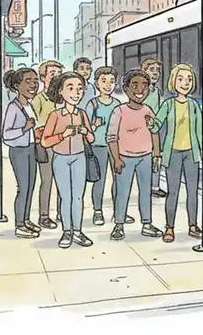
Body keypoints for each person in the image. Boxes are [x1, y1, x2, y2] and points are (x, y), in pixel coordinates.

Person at [147, 64, 203, 243]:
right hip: (172, 154)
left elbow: (199, 131)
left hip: (191, 154)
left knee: (193, 192)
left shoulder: (194, 105)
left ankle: (193, 225)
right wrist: (150, 124)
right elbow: (156, 125)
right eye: (180, 79)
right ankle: (169, 227)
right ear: (173, 81)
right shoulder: (168, 104)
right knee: (173, 192)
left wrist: (201, 153)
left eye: (189, 79)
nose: (185, 83)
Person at [41, 72, 95, 249]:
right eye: (70, 88)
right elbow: (45, 141)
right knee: (66, 197)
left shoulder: (82, 114)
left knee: (78, 197)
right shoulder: (55, 115)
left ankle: (77, 231)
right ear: (61, 92)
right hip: (61, 159)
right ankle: (66, 231)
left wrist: (85, 132)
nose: (76, 92)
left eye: (80, 88)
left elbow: (92, 138)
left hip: (79, 157)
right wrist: (62, 135)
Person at [108, 69, 163, 241]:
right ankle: (119, 224)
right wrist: (116, 158)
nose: (140, 90)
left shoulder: (148, 110)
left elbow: (155, 132)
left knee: (145, 192)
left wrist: (157, 155)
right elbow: (112, 137)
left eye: (144, 86)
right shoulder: (119, 111)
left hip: (145, 157)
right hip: (125, 158)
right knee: (122, 192)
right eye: (135, 85)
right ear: (125, 88)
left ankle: (147, 224)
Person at [88, 66, 131, 226]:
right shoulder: (93, 104)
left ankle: (118, 212)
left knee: (119, 180)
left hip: (116, 147)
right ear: (97, 84)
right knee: (99, 181)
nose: (108, 85)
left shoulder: (118, 103)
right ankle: (97, 211)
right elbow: (86, 129)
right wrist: (94, 125)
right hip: (98, 146)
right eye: (104, 81)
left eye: (112, 81)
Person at [1, 67, 42, 239]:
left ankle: (25, 219)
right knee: (23, 187)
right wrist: (24, 129)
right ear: (17, 86)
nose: (33, 85)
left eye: (35, 81)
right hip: (19, 151)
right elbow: (6, 134)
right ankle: (19, 225)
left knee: (30, 187)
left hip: (31, 148)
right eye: (28, 81)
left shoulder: (29, 105)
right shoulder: (13, 107)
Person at [32, 60, 63, 229]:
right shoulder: (39, 99)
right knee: (47, 181)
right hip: (46, 145)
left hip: (64, 145)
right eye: (52, 74)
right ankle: (44, 215)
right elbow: (33, 122)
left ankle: (61, 212)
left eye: (59, 74)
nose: (56, 77)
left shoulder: (63, 98)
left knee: (62, 181)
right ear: (43, 77)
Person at [141, 58, 168, 199]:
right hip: (143, 130)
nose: (156, 73)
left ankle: (155, 187)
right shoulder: (141, 90)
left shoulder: (156, 91)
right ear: (144, 71)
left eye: (158, 70)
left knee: (156, 157)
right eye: (152, 70)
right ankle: (146, 186)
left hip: (155, 129)